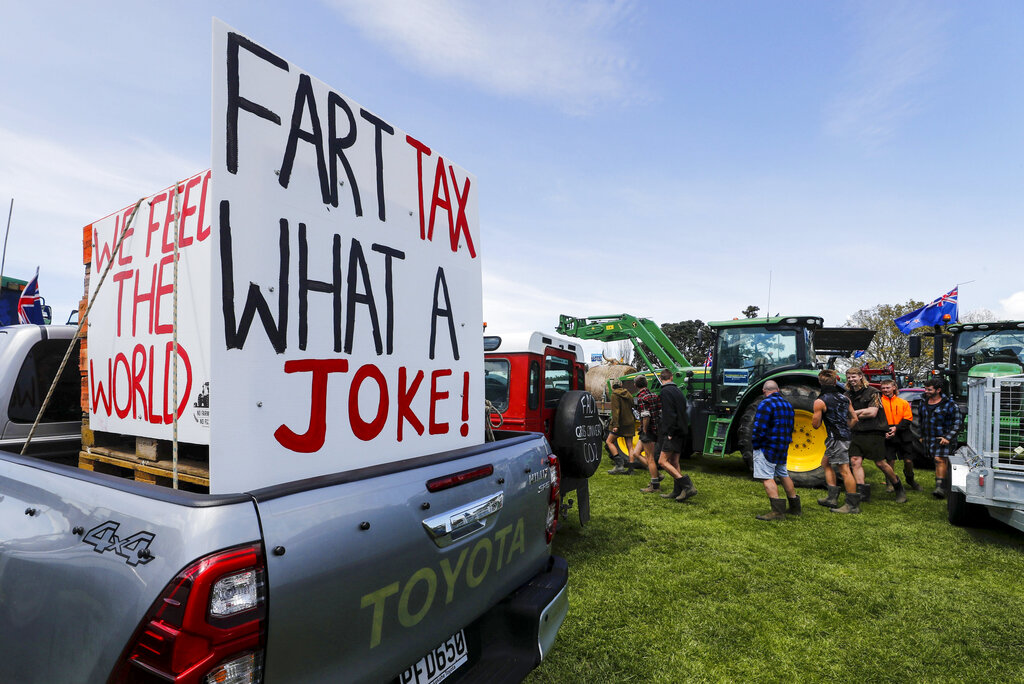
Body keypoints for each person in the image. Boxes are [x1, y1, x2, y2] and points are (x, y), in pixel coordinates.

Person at [845, 367, 907, 504]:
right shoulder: (847, 394)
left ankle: (898, 486)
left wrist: (853, 413)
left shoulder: (873, 392)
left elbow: (872, 412)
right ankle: (862, 492)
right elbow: (850, 412)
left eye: (854, 376)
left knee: (880, 462)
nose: (851, 380)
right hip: (856, 431)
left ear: (861, 376)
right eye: (849, 377)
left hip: (873, 431)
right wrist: (860, 412)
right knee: (855, 461)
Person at [811, 370, 860, 513]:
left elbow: (815, 425)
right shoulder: (845, 398)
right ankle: (832, 498)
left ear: (820, 383)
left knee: (844, 470)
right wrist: (845, 430)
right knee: (825, 463)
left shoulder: (820, 401)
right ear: (835, 382)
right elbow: (855, 418)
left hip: (837, 439)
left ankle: (852, 505)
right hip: (842, 437)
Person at [750, 381, 798, 520]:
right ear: (777, 390)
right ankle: (795, 507)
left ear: (764, 391)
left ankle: (777, 512)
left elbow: (759, 427)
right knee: (783, 474)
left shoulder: (766, 404)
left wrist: (756, 443)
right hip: (782, 446)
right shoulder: (787, 404)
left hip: (768, 446)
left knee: (766, 477)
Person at [657, 369, 698, 501]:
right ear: (672, 377)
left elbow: (669, 414)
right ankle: (677, 490)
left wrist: (669, 432)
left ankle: (687, 486)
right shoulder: (678, 391)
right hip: (682, 430)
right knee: (674, 461)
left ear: (661, 378)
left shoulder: (665, 391)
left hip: (673, 432)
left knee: (662, 461)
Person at [921, 377, 962, 498]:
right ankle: (943, 482)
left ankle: (940, 488)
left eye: (929, 389)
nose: (926, 391)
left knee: (940, 459)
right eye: (925, 389)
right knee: (936, 460)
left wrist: (948, 437)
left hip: (943, 438)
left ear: (938, 390)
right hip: (929, 438)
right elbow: (922, 420)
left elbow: (958, 423)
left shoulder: (950, 404)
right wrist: (921, 436)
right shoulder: (924, 403)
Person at [879, 379, 922, 491]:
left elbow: (908, 419)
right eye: (883, 388)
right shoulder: (879, 403)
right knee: (890, 460)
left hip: (903, 434)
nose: (885, 390)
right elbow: (877, 419)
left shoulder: (903, 402)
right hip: (887, 433)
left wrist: (896, 428)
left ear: (894, 388)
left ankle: (910, 479)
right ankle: (890, 483)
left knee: (908, 460)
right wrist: (886, 431)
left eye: (887, 387)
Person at [632, 375, 664, 491]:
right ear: (646, 384)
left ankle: (655, 485)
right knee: (636, 453)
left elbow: (645, 416)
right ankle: (657, 474)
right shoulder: (654, 395)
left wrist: (645, 430)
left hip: (648, 431)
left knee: (650, 458)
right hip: (655, 428)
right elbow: (659, 411)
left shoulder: (641, 397)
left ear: (635, 385)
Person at [606, 379, 636, 474]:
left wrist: (615, 425)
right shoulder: (629, 394)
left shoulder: (615, 395)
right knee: (630, 446)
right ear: (621, 385)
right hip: (630, 421)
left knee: (609, 441)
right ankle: (631, 469)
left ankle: (619, 465)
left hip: (621, 423)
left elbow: (615, 411)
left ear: (613, 386)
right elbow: (632, 406)